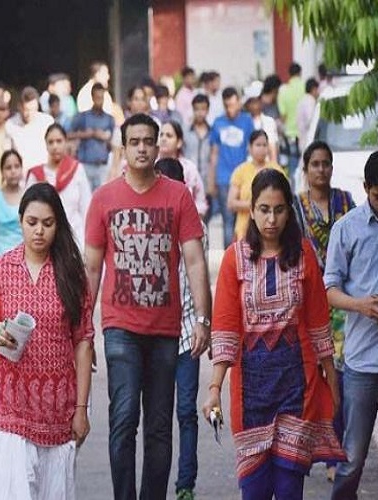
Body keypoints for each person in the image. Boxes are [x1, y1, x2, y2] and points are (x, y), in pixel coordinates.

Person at [84, 113, 211, 499]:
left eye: (148, 141)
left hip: (164, 330)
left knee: (158, 427)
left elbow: (194, 261)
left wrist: (202, 319)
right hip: (119, 327)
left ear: (158, 147)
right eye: (134, 142)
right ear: (123, 149)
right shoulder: (104, 198)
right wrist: (84, 328)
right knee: (123, 418)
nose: (141, 148)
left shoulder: (178, 195)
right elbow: (92, 267)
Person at [203, 168, 344, 499]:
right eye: (264, 210)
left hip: (297, 388)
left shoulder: (304, 255)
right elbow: (225, 328)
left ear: (288, 212)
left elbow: (318, 323)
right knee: (255, 490)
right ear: (251, 210)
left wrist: (333, 383)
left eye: (279, 210)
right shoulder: (234, 259)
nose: (271, 219)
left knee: (289, 488)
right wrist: (214, 389)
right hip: (250, 392)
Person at [0, 182, 94, 499]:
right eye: (32, 222)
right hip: (10, 405)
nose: (39, 231)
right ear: (21, 221)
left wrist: (81, 409)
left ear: (58, 225)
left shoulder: (72, 274)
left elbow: (83, 342)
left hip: (59, 411)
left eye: (48, 223)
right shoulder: (1, 268)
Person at [324, 150, 378, 499]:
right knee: (353, 455)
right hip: (361, 356)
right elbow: (329, 289)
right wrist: (361, 305)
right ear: (365, 188)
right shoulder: (346, 229)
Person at [292, 141, 355, 482]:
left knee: (338, 378)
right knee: (308, 380)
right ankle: (300, 455)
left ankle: (334, 456)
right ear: (305, 169)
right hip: (307, 302)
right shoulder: (295, 206)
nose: (321, 169)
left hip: (342, 303)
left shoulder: (345, 201)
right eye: (315, 164)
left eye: (325, 163)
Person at [154, 157, 207, 500]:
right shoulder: (148, 228)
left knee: (186, 411)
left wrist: (205, 322)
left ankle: (185, 483)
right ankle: (155, 484)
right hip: (154, 336)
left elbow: (202, 280)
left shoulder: (195, 229)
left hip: (188, 334)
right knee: (157, 418)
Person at [26, 124, 91, 251]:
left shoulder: (77, 170)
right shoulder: (36, 176)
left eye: (59, 141)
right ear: (46, 145)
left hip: (75, 239)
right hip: (44, 242)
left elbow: (86, 208)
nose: (55, 146)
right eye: (51, 142)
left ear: (66, 142)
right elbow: (27, 212)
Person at [208, 87, 255, 248]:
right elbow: (214, 153)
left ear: (239, 103)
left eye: (233, 105)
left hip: (242, 177)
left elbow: (251, 148)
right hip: (223, 177)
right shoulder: (218, 122)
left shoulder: (247, 121)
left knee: (242, 220)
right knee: (227, 219)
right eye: (227, 105)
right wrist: (212, 180)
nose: (230, 109)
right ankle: (229, 256)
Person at [227, 130, 286, 240]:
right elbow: (231, 203)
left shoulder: (276, 170)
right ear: (250, 148)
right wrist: (256, 206)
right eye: (258, 145)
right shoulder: (241, 170)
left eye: (264, 145)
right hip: (244, 230)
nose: (262, 149)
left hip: (271, 229)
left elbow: (286, 200)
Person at [157, 120, 208, 217]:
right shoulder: (150, 167)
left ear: (179, 142)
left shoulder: (189, 168)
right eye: (161, 135)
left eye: (169, 136)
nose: (163, 139)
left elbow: (201, 201)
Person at [69, 83, 115, 191]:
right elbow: (68, 134)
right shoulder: (83, 117)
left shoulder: (109, 119)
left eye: (101, 98)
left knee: (102, 197)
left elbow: (113, 144)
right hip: (86, 165)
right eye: (97, 98)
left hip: (103, 165)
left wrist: (105, 137)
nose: (100, 101)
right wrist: (88, 134)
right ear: (92, 98)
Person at [6, 87, 54, 172]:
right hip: (22, 174)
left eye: (33, 109)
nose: (30, 114)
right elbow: (8, 153)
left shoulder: (47, 122)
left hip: (44, 172)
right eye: (26, 110)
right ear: (19, 106)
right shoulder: (10, 125)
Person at [278, 63, 306, 177]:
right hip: (305, 133)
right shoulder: (306, 87)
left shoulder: (284, 91)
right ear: (300, 73)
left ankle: (293, 185)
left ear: (289, 74)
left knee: (293, 165)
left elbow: (283, 115)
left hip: (290, 134)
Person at [245, 95, 279, 164]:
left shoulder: (269, 121)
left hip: (266, 163)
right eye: (251, 102)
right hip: (248, 163)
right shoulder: (244, 122)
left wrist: (274, 164)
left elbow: (272, 146)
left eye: (255, 102)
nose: (253, 106)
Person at [296, 78, 320, 145]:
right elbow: (310, 120)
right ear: (313, 89)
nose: (318, 92)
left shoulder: (303, 100)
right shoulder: (310, 101)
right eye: (317, 90)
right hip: (308, 139)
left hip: (302, 138)